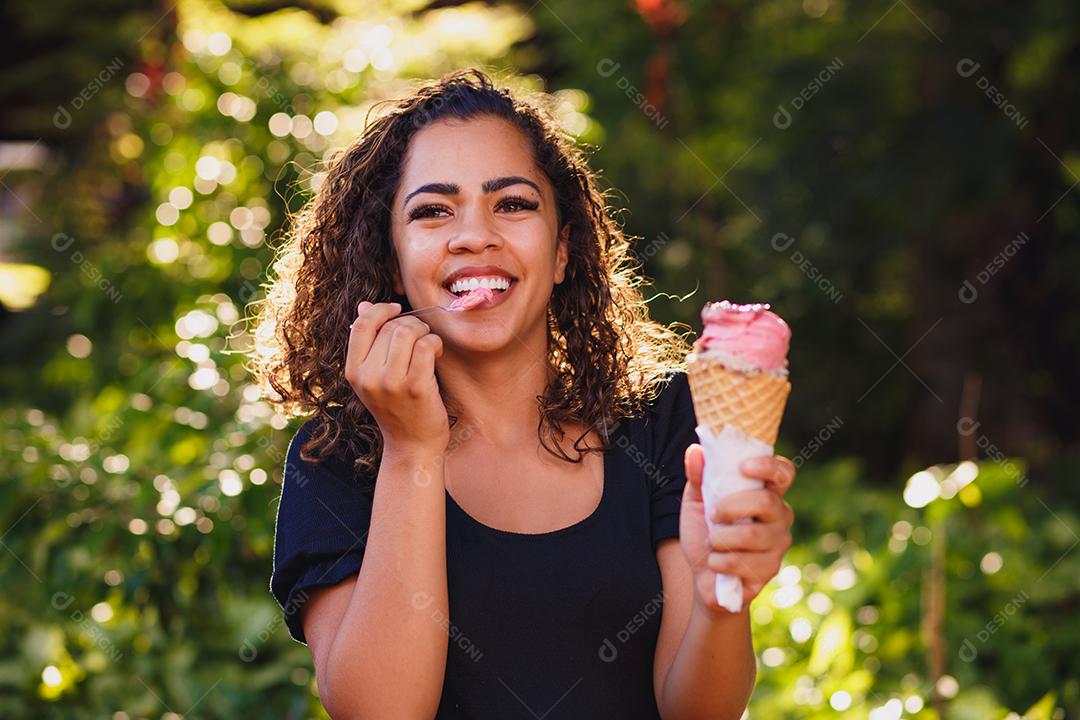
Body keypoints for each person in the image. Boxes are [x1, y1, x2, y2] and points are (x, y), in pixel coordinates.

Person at [251, 68, 797, 719]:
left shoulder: (662, 423)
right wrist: (411, 448)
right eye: (432, 211)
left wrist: (717, 600)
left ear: (563, 252)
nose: (475, 234)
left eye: (512, 204)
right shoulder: (334, 459)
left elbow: (699, 715)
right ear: (391, 263)